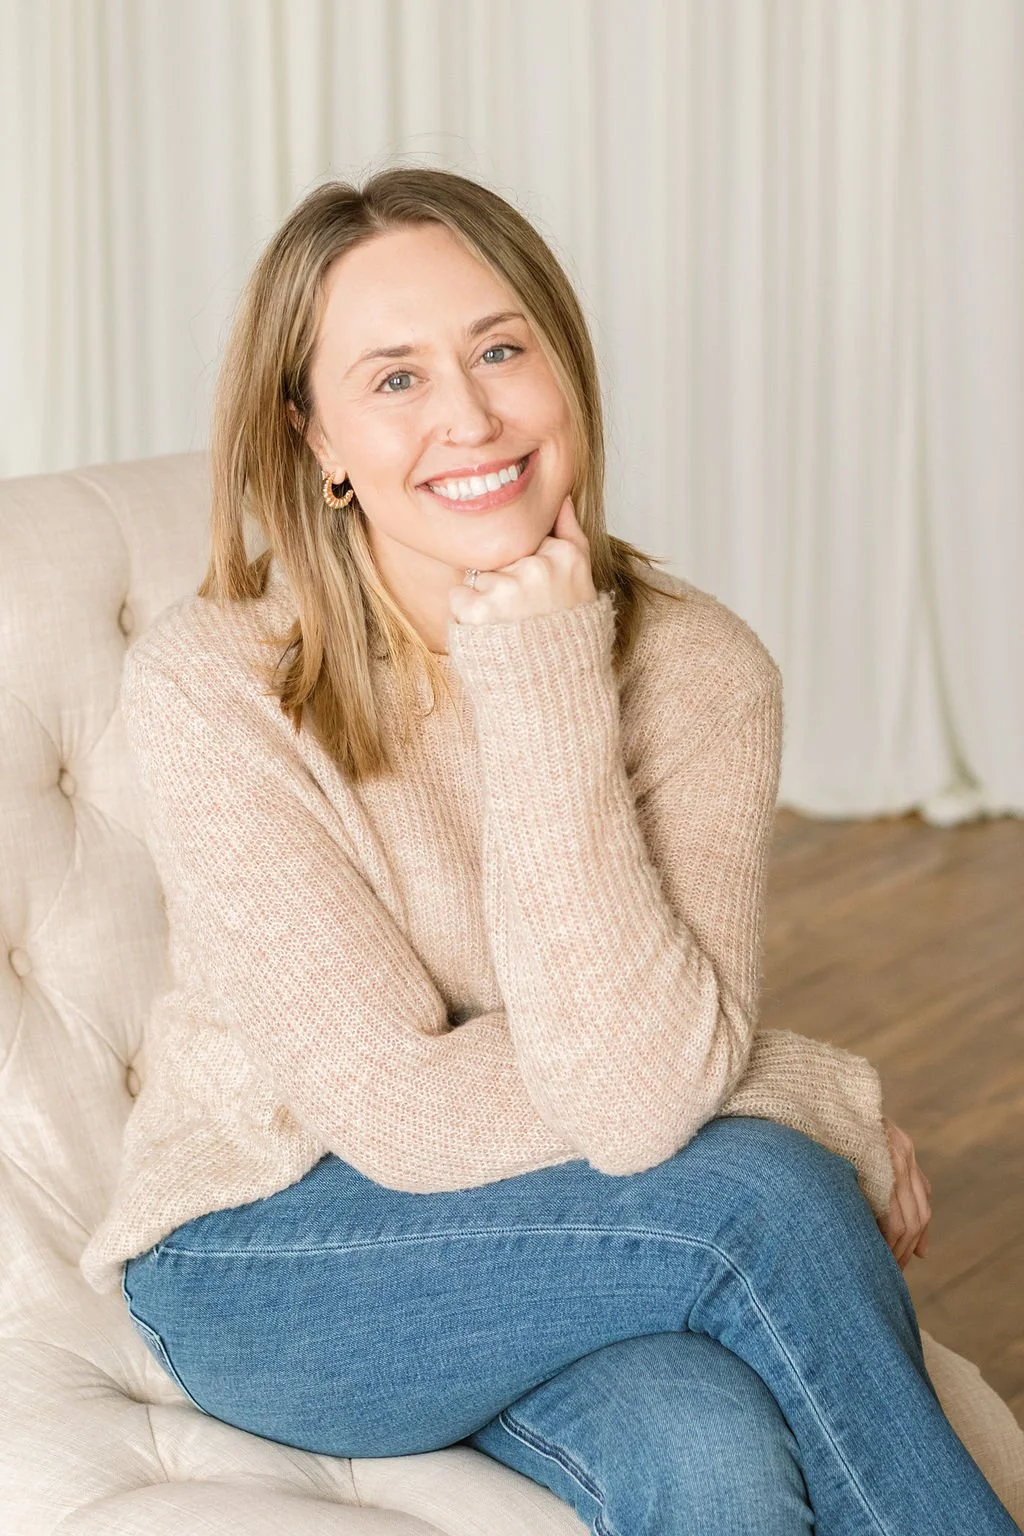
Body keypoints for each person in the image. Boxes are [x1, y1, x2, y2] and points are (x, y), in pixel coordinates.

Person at [79, 167, 1020, 1535]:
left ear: (566, 369)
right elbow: (411, 1110)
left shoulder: (701, 671)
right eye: (393, 379)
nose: (468, 415)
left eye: (501, 349)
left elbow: (638, 1100)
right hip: (270, 1254)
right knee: (762, 1195)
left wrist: (540, 671)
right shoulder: (219, 681)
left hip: (570, 1228)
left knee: (709, 1461)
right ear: (317, 436)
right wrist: (793, 1087)